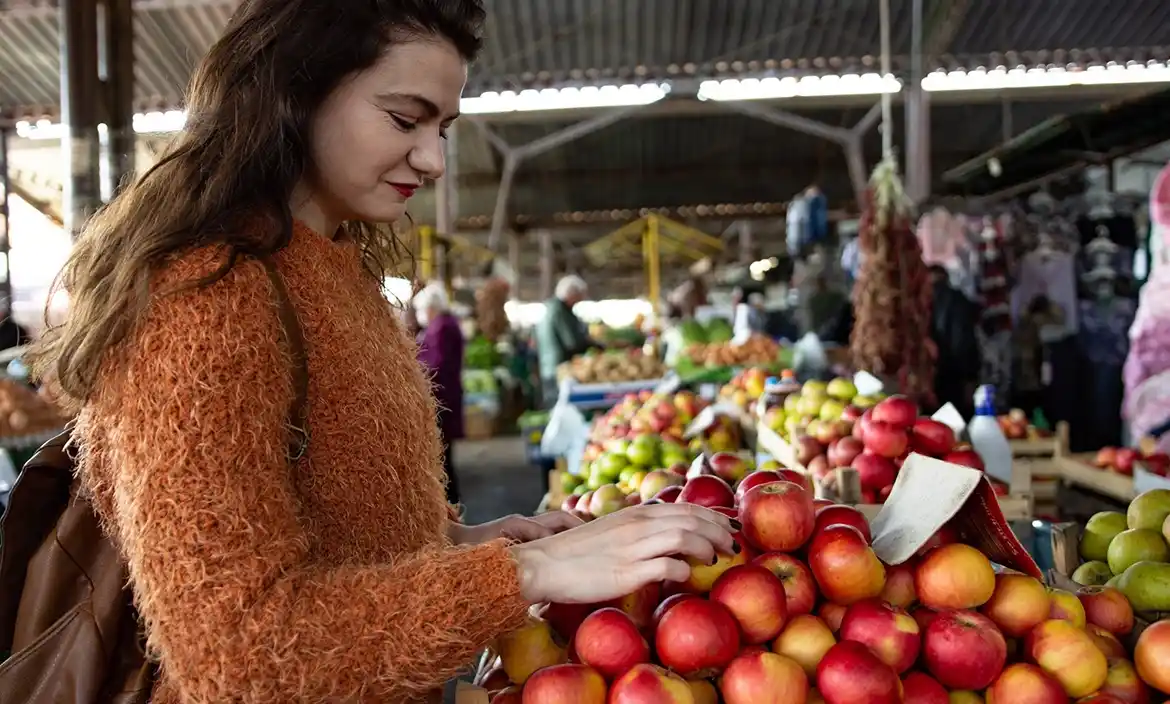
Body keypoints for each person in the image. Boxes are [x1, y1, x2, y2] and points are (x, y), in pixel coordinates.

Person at [26, 2, 735, 701]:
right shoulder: (206, 299)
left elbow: (336, 531)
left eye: (444, 128)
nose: (433, 160)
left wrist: (463, 542)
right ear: (295, 94)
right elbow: (237, 649)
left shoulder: (332, 270)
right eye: (404, 119)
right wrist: (528, 573)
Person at [414, 282, 464, 505]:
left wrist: (414, 370)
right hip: (444, 395)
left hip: (442, 398)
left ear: (431, 308)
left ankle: (451, 505)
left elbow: (437, 364)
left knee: (442, 454)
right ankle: (451, 504)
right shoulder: (444, 324)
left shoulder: (441, 327)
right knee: (443, 454)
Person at [535, 274, 596, 406]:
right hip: (558, 369)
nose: (581, 299)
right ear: (571, 294)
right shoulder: (560, 311)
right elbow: (572, 342)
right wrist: (593, 345)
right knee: (559, 406)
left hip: (549, 367)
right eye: (579, 295)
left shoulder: (551, 307)